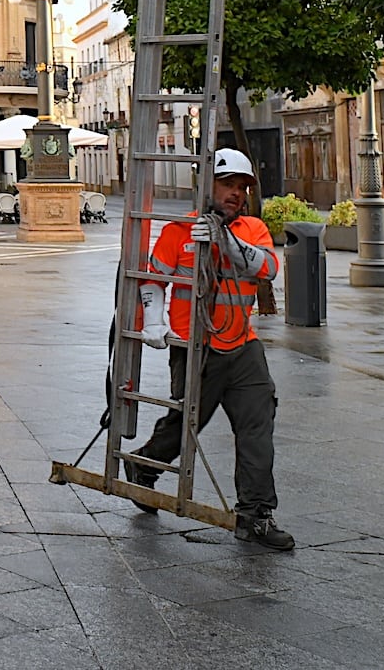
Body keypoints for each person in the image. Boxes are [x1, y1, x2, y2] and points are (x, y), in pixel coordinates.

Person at [126, 148, 293, 550]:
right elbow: (152, 279)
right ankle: (143, 463)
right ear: (206, 186)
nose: (236, 194)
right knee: (188, 425)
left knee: (257, 426)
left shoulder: (252, 228)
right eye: (227, 185)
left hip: (243, 346)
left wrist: (226, 241)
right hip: (195, 346)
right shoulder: (177, 233)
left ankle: (256, 514)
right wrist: (152, 322)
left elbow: (267, 268)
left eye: (241, 187)